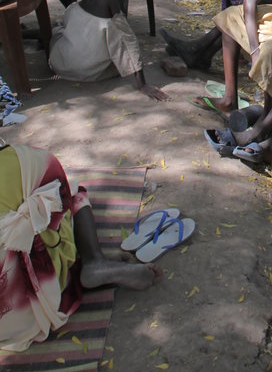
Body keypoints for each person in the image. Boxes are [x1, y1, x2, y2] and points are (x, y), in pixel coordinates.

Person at [0, 138, 160, 353]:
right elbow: (58, 210)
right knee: (74, 194)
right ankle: (93, 260)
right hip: (35, 297)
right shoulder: (28, 161)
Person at [48, 0, 167, 98]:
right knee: (111, 44)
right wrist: (142, 84)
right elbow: (126, 38)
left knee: (57, 30)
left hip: (63, 66)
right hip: (92, 73)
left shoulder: (72, 9)